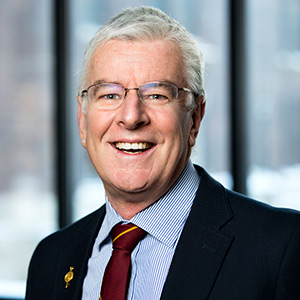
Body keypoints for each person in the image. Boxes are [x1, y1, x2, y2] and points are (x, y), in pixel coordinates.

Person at [26, 6, 300, 300]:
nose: (131, 117)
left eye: (156, 95)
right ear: (82, 121)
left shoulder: (283, 247)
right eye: (110, 95)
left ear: (194, 118)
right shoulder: (51, 259)